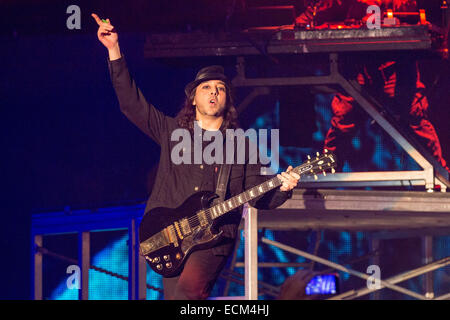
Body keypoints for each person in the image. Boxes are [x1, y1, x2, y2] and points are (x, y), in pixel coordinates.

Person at [92, 13, 301, 300]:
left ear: (227, 99)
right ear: (193, 98)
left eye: (220, 89)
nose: (213, 92)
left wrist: (283, 188)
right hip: (169, 237)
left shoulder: (242, 145)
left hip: (214, 238)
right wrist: (114, 50)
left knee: (188, 295)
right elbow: (132, 104)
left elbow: (257, 195)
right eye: (206, 88)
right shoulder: (171, 131)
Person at [298, 0, 449, 173]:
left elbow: (408, 12)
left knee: (414, 118)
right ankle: (327, 173)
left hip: (395, 62)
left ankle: (440, 174)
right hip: (359, 61)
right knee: (343, 119)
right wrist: (307, 18)